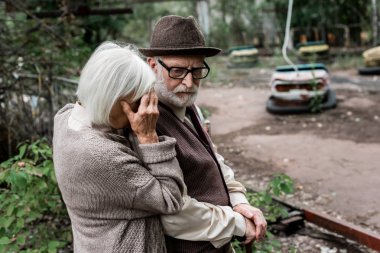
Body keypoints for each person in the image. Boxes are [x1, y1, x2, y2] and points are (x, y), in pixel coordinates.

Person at [139, 15, 268, 252]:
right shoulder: (146, 122)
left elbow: (215, 161)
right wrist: (238, 224)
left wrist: (239, 201)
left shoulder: (189, 106)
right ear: (153, 65)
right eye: (177, 71)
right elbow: (172, 213)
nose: (189, 82)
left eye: (197, 71)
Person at [53, 41, 185, 253]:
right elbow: (170, 198)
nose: (142, 110)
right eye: (136, 102)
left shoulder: (66, 117)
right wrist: (148, 136)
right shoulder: (100, 154)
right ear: (110, 97)